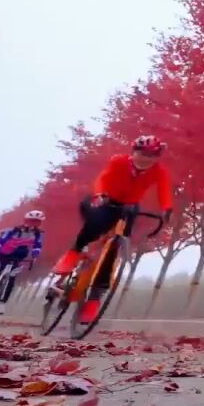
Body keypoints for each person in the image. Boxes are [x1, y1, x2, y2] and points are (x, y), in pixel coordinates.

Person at [49, 136, 173, 320]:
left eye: (151, 155)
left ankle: (94, 299)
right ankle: (73, 254)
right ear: (134, 151)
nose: (145, 159)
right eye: (142, 153)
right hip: (107, 200)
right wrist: (100, 194)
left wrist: (166, 208)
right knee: (95, 226)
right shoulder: (118, 161)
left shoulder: (159, 171)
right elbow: (103, 178)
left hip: (129, 207)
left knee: (113, 252)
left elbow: (164, 190)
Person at [0, 210, 46, 314]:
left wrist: (35, 255)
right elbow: (2, 239)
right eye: (31, 221)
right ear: (26, 220)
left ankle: (2, 303)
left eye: (37, 222)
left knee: (11, 279)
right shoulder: (14, 230)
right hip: (5, 253)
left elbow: (37, 246)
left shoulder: (39, 234)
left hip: (19, 256)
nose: (33, 224)